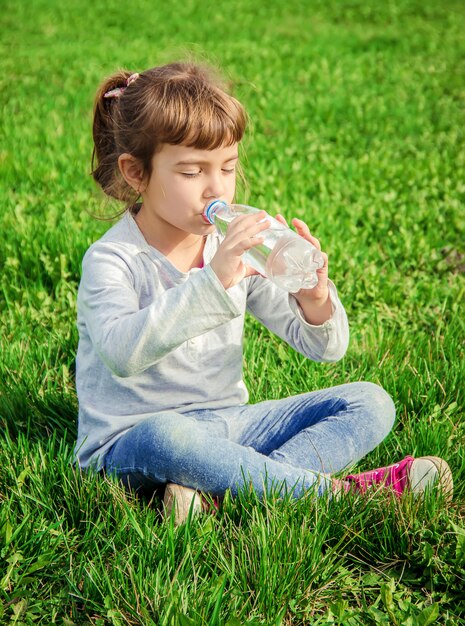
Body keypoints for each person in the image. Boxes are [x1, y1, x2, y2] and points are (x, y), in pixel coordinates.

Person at [74, 62, 453, 525]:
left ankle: (217, 495)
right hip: (135, 438)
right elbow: (122, 354)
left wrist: (314, 299)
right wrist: (213, 280)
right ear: (136, 173)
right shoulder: (113, 259)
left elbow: (326, 349)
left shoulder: (235, 242)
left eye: (228, 167)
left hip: (230, 424)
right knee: (169, 437)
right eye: (192, 172)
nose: (217, 187)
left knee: (371, 401)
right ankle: (346, 497)